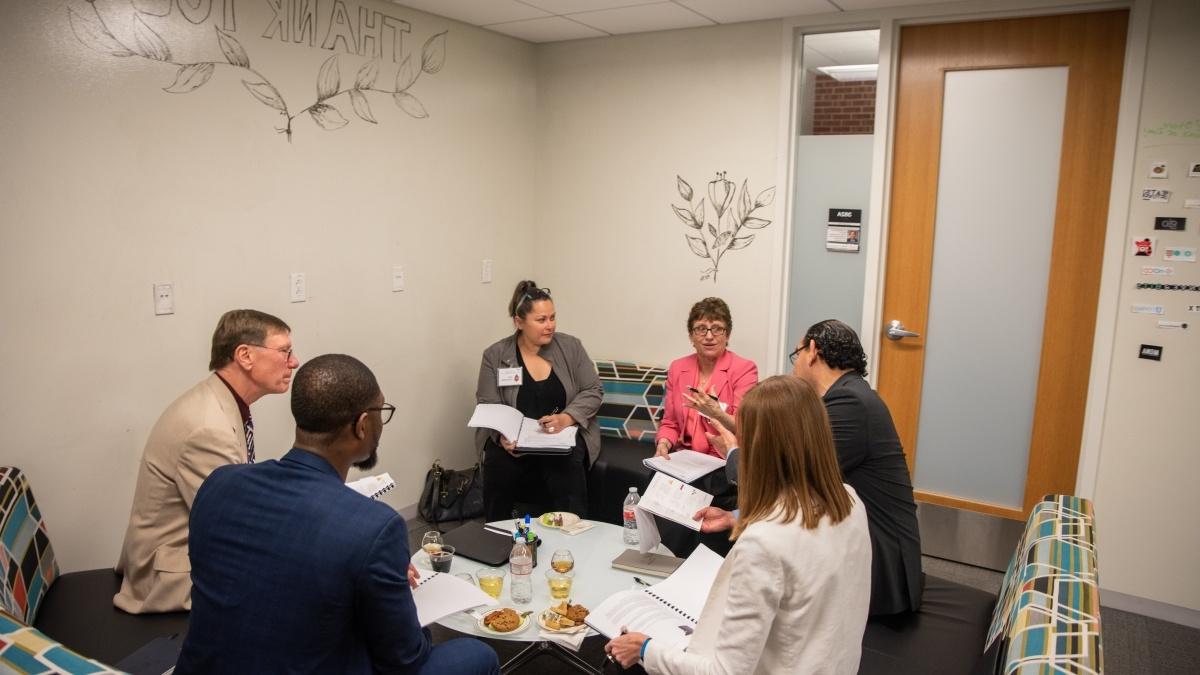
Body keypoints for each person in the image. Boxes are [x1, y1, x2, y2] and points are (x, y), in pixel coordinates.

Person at [174, 354, 499, 674]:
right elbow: (404, 659)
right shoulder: (375, 528)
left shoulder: (219, 484)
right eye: (380, 412)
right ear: (361, 426)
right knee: (477, 654)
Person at [606, 376, 871, 674]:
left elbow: (725, 672)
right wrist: (737, 516)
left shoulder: (764, 543)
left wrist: (645, 650)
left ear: (760, 450)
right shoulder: (849, 501)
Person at [707, 319, 923, 616]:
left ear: (811, 351)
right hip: (846, 539)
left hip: (880, 571)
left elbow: (786, 477)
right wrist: (739, 516)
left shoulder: (850, 403)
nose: (794, 367)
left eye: (795, 356)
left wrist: (733, 452)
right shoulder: (848, 395)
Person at [114, 309, 297, 614]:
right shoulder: (208, 428)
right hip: (168, 576)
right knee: (304, 583)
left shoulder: (221, 402)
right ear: (245, 356)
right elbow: (237, 528)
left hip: (186, 551)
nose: (294, 362)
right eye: (285, 352)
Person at [475, 281, 603, 520]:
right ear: (519, 321)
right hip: (515, 440)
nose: (550, 326)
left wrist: (567, 418)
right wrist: (502, 437)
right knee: (498, 464)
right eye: (541, 320)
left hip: (560, 436)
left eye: (553, 318)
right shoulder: (495, 355)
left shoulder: (571, 347)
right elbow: (488, 403)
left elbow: (593, 389)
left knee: (565, 465)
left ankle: (573, 535)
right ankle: (496, 535)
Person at [654, 297, 758, 460]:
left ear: (727, 335)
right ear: (691, 337)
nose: (709, 336)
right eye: (701, 329)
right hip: (683, 456)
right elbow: (670, 422)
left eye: (717, 329)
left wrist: (717, 413)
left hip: (722, 458)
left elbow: (745, 428)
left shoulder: (744, 369)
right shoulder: (677, 368)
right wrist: (664, 443)